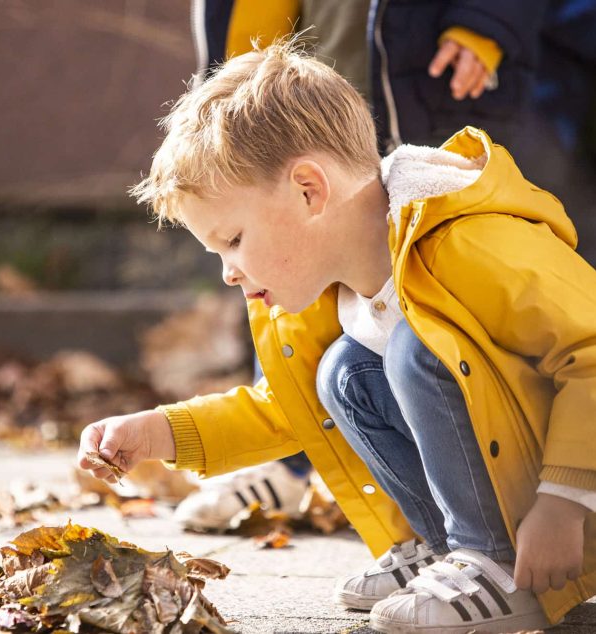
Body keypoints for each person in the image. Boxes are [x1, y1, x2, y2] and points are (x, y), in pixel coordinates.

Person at [79, 40, 596, 633]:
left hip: (569, 511)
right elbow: (283, 412)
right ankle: (447, 549)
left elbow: (592, 350)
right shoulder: (335, 294)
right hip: (534, 498)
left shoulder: (469, 243)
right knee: (342, 372)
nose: (227, 270)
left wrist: (564, 504)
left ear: (308, 190)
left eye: (234, 240)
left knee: (414, 348)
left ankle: (494, 564)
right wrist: (157, 434)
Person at [180, 0, 547, 531]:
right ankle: (302, 468)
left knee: (419, 328)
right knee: (322, 327)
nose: (227, 272)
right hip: (302, 79)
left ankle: (487, 523)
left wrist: (488, 24)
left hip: (426, 72)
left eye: (230, 243)